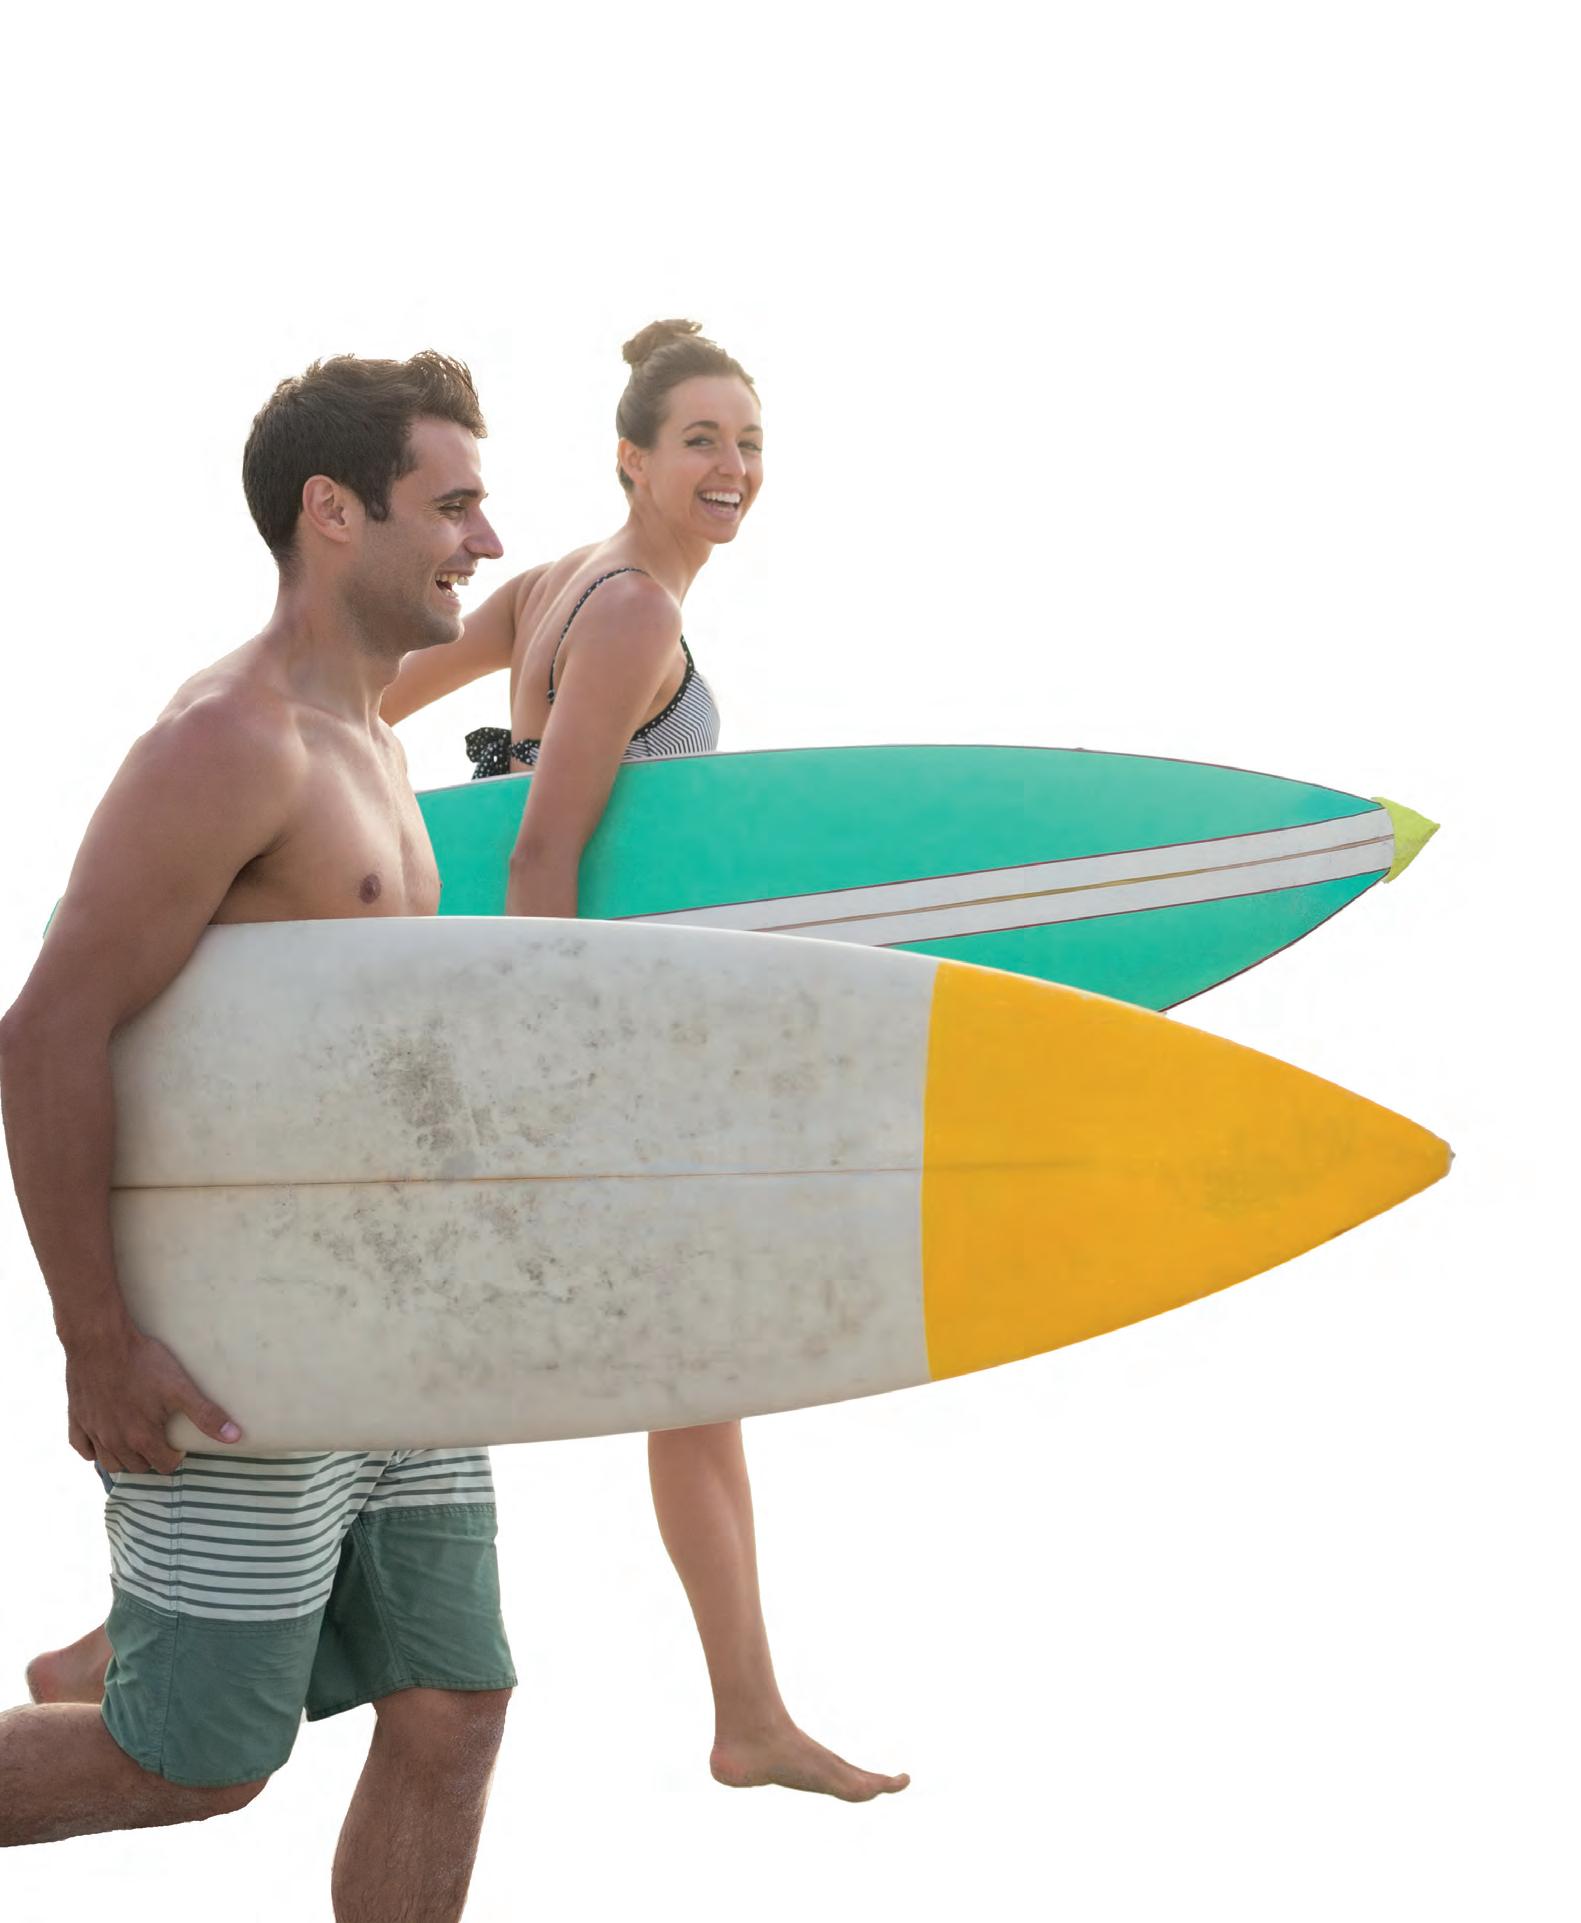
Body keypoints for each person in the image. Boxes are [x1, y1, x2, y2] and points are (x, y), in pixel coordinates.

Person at [0, 354, 516, 1918]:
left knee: (452, 1706)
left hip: (388, 1337)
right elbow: (46, 1032)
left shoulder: (371, 740)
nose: (483, 539)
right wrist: (97, 1343)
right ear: (332, 512)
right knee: (188, 1761)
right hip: (245, 1350)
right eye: (453, 504)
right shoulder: (233, 743)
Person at [381, 319, 909, 1803]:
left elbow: (365, 695)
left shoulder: (556, 585)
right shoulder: (625, 611)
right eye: (700, 441)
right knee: (524, 1356)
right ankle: (748, 1715)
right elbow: (541, 852)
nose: (732, 467)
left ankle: (750, 1716)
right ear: (632, 456)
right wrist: (554, 1070)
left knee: (698, 1373)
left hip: (586, 1025)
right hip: (589, 1038)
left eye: (749, 443)